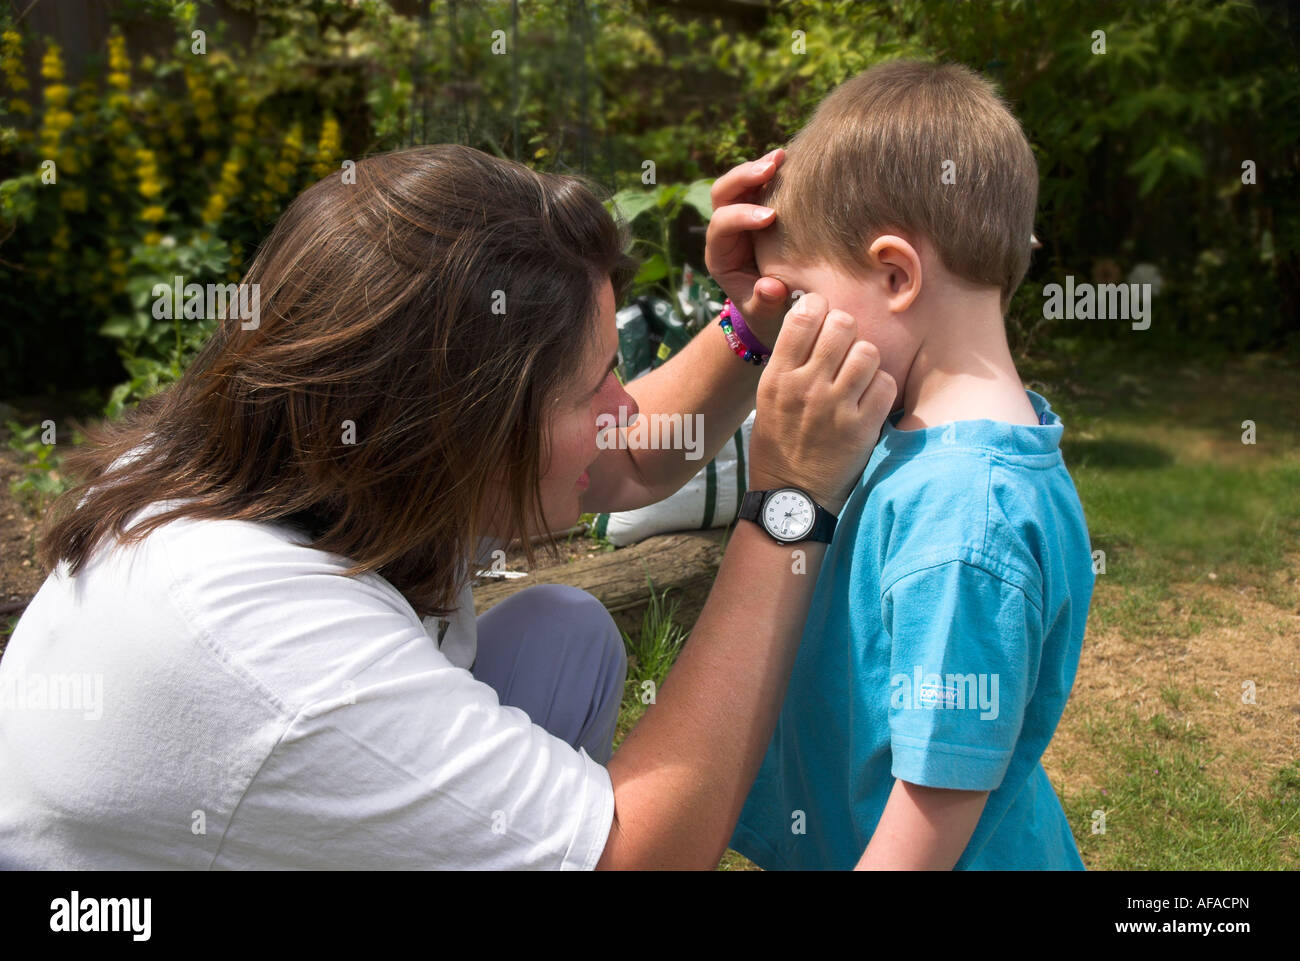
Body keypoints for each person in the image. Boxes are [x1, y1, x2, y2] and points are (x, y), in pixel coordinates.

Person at [0, 142, 894, 869]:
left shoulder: (304, 459)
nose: (620, 409)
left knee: (562, 635)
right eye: (593, 388)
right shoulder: (278, 648)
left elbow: (620, 461)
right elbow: (641, 855)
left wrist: (750, 321)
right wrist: (789, 507)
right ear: (455, 425)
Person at [726, 60, 1096, 870]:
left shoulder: (964, 514)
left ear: (896, 274)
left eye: (799, 300)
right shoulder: (935, 440)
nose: (789, 328)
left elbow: (930, 815)